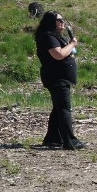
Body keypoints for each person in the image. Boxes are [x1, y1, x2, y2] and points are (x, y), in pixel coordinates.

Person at [34, 11, 85, 150]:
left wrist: (69, 45)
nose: (63, 22)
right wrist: (72, 44)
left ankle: (53, 138)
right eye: (59, 20)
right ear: (51, 22)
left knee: (58, 108)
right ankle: (70, 141)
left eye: (63, 20)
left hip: (60, 77)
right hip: (56, 77)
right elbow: (59, 54)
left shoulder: (54, 36)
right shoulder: (48, 36)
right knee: (64, 109)